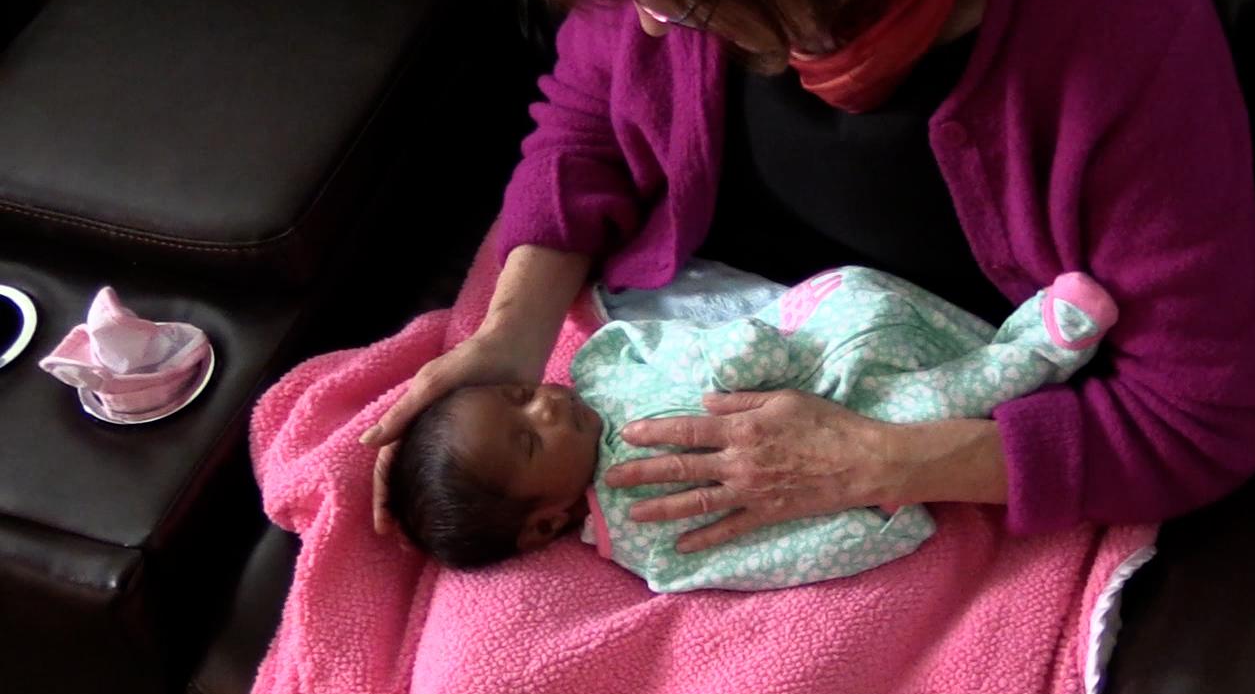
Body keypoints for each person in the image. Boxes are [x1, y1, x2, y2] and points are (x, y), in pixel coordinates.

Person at [360, 0, 1255, 547]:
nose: (644, 24)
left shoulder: (1122, 34)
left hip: (927, 409)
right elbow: (588, 110)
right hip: (687, 308)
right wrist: (512, 334)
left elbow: (1200, 420)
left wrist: (881, 462)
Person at [385, 265, 1116, 591]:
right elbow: (770, 554)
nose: (543, 407)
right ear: (544, 523)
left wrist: (735, 356)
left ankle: (1003, 331)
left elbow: (678, 340)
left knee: (869, 299)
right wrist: (875, 523)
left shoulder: (601, 367)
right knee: (932, 402)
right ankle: (1040, 347)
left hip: (814, 334)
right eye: (528, 441)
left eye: (520, 395)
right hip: (863, 421)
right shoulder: (650, 540)